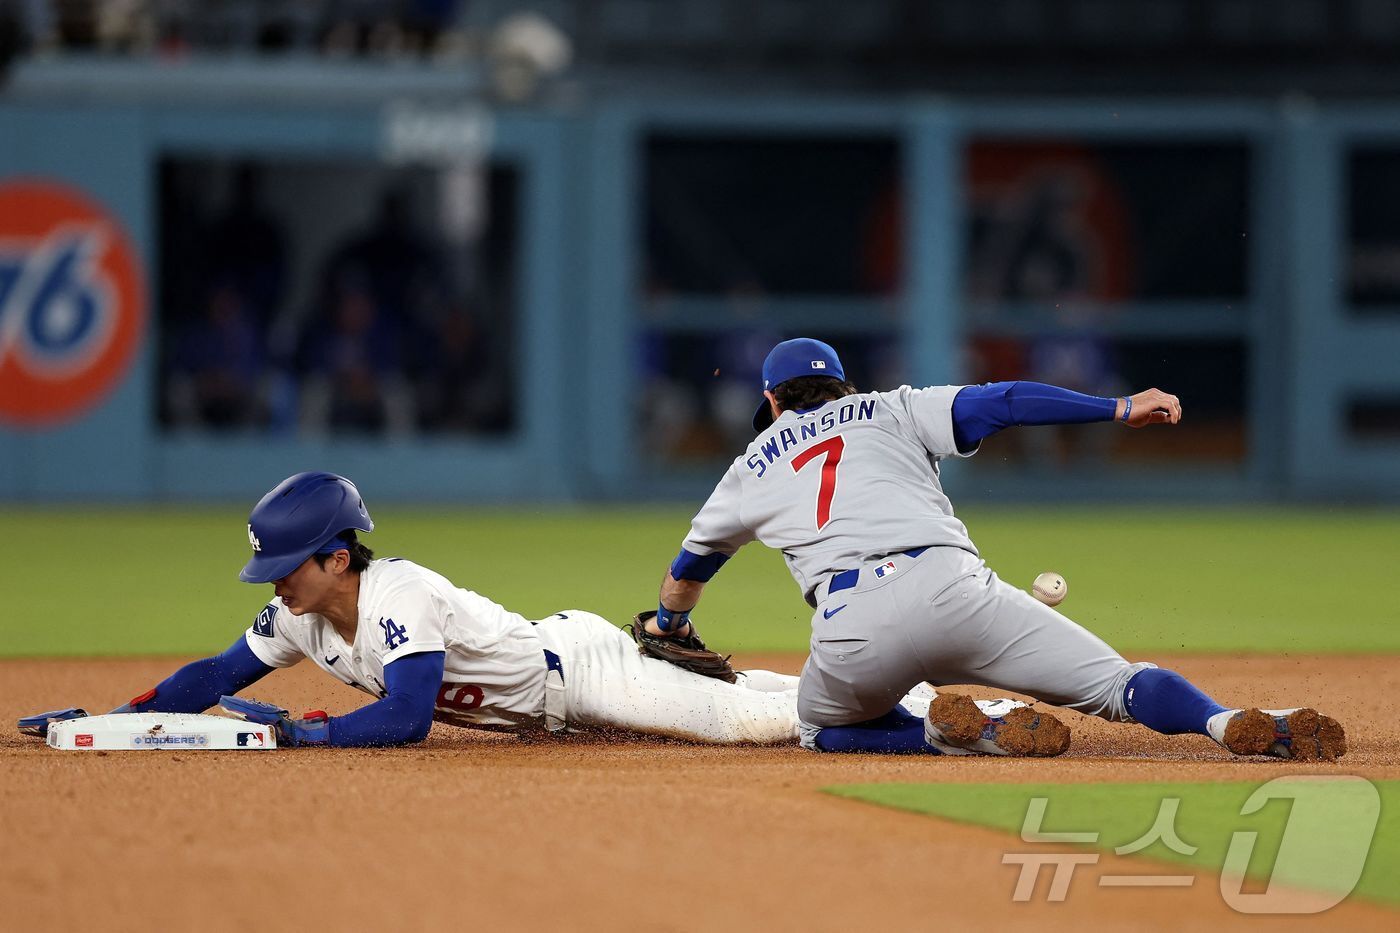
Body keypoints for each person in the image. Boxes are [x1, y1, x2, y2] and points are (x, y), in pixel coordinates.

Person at [647, 337, 1347, 761]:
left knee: (820, 726)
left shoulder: (750, 464)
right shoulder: (891, 406)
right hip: (955, 588)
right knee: (1118, 685)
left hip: (852, 622)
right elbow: (1006, 399)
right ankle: (1223, 722)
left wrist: (668, 624)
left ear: (771, 401)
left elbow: (688, 572)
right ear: (842, 386)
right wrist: (1119, 407)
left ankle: (955, 733)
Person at [17, 471, 1009, 750]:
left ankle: (972, 724)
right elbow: (213, 678)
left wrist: (303, 738)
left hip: (578, 672)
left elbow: (405, 720)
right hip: (547, 698)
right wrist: (118, 715)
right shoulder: (304, 617)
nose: (273, 584)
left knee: (767, 723)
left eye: (287, 566)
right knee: (757, 695)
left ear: (334, 556)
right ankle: (937, 704)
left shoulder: (395, 594)